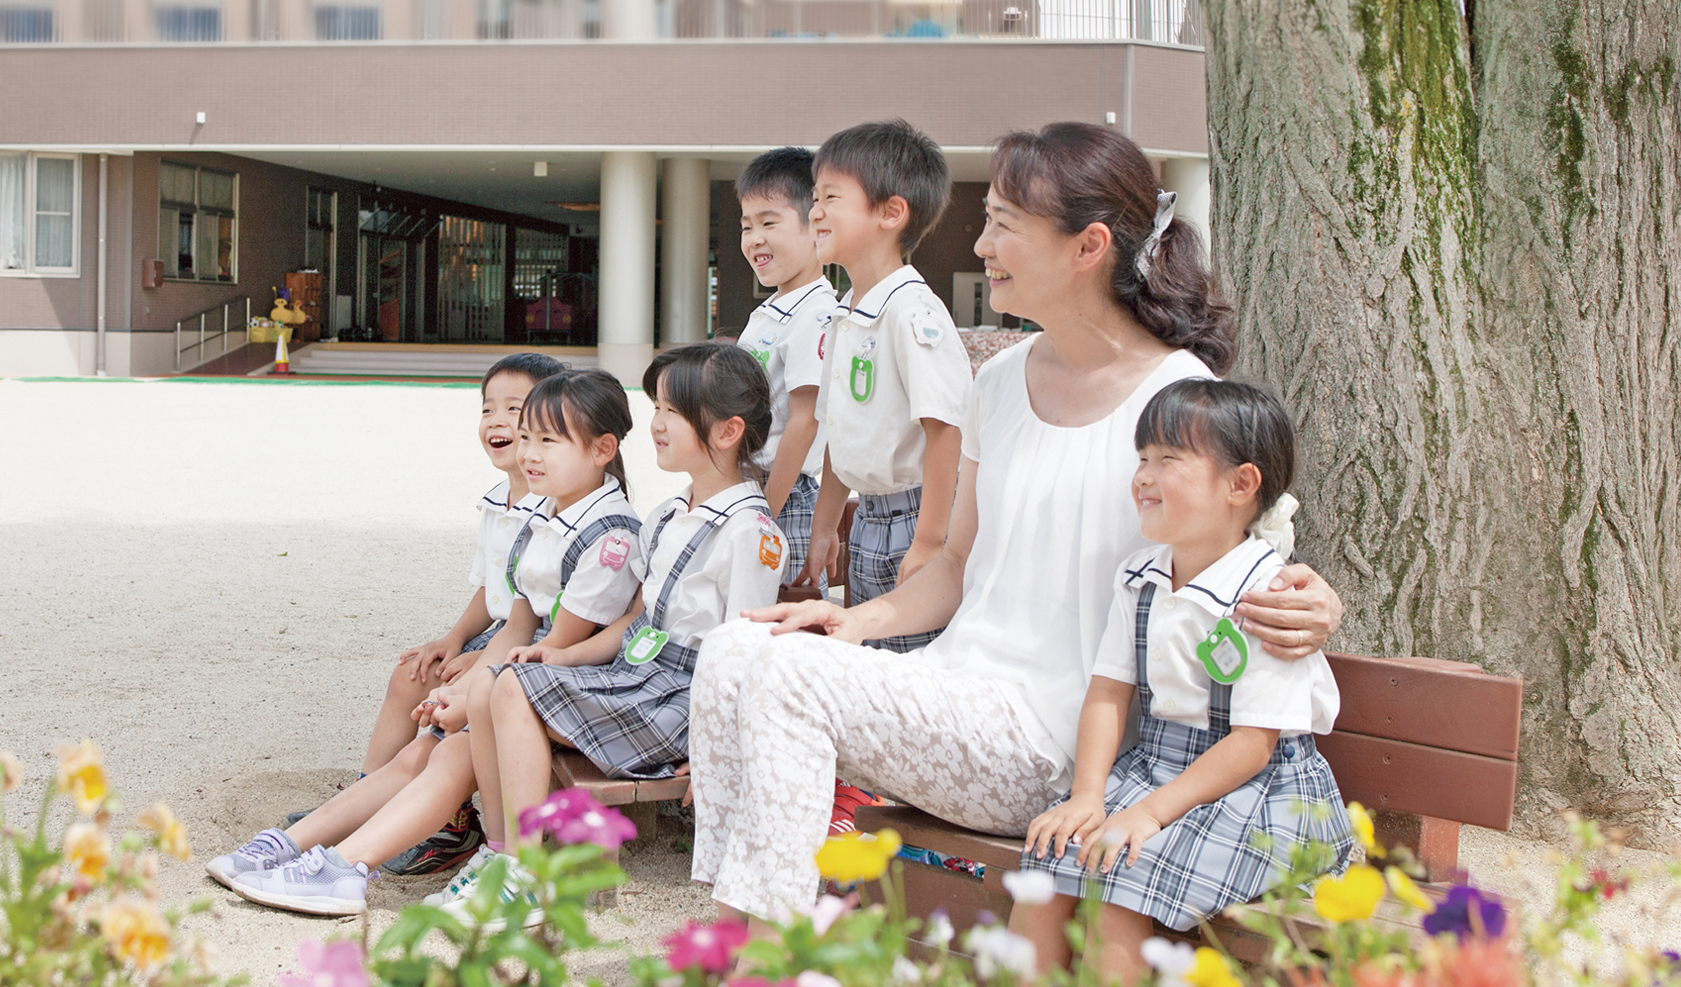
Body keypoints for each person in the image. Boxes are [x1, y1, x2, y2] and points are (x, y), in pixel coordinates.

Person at [687, 122, 1344, 925]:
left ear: (1087, 245)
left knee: (789, 678)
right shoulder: (995, 382)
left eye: (1004, 223)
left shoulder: (1178, 396)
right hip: (957, 689)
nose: (982, 240)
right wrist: (850, 622)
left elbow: (1257, 559)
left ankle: (768, 950)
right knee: (734, 648)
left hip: (1058, 744)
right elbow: (956, 563)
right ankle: (728, 934)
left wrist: (1316, 602)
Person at [206, 369, 643, 919]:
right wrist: (465, 688)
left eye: (545, 440)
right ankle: (302, 848)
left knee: (447, 747)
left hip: (578, 688)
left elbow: (550, 651)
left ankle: (349, 866)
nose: (529, 452)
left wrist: (466, 698)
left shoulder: (610, 534)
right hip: (528, 677)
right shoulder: (543, 510)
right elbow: (516, 625)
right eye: (527, 436)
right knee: (428, 742)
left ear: (602, 449)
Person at [1010, 378, 1353, 979]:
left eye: (1168, 459)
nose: (1143, 475)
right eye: (1142, 458)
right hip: (1155, 771)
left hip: (1258, 792)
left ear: (1240, 485)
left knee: (1113, 878)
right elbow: (1109, 692)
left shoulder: (1269, 598)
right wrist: (1089, 795)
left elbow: (1254, 744)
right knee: (1047, 868)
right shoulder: (1139, 576)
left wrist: (1146, 815)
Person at [446, 342, 789, 923]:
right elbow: (635, 623)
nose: (654, 425)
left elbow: (747, 653)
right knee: (510, 678)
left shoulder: (751, 532)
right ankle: (505, 856)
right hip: (639, 671)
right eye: (656, 407)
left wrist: (716, 750)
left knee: (510, 687)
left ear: (728, 431)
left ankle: (525, 875)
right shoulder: (667, 514)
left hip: (684, 696)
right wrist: (563, 656)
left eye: (671, 413)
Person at [278, 352, 564, 876]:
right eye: (488, 409)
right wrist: (455, 638)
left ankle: (450, 823)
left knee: (442, 704)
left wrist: (476, 664)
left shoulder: (553, 506)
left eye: (515, 410)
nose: (498, 422)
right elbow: (493, 590)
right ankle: (369, 799)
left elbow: (532, 616)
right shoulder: (499, 501)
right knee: (411, 672)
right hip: (504, 633)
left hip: (535, 644)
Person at [800, 119, 972, 653]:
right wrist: (826, 528)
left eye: (831, 197)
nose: (815, 211)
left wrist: (929, 542)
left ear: (890, 213)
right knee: (872, 663)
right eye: (814, 197)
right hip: (871, 520)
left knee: (912, 669)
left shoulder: (911, 310)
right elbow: (837, 431)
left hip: (916, 518)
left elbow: (946, 430)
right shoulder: (846, 313)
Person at [734, 146, 836, 594]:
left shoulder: (815, 312)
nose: (754, 238)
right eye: (746, 225)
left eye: (768, 222)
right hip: (751, 485)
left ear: (815, 225)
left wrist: (765, 513)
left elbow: (805, 422)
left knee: (784, 613)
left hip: (784, 496)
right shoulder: (773, 308)